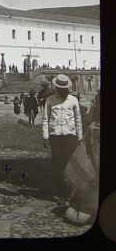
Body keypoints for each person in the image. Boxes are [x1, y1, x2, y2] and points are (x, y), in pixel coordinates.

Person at [42, 74, 83, 205]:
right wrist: (45, 136)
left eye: (66, 88)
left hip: (70, 137)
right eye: (61, 88)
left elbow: (78, 119)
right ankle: (62, 194)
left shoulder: (73, 100)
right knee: (58, 166)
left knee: (70, 166)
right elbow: (45, 119)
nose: (64, 91)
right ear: (57, 88)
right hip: (56, 137)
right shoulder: (50, 100)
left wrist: (80, 136)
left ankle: (72, 193)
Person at [63, 90, 100, 226]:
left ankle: (74, 209)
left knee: (89, 171)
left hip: (94, 132)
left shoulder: (96, 103)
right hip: (97, 135)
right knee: (96, 175)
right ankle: (85, 210)